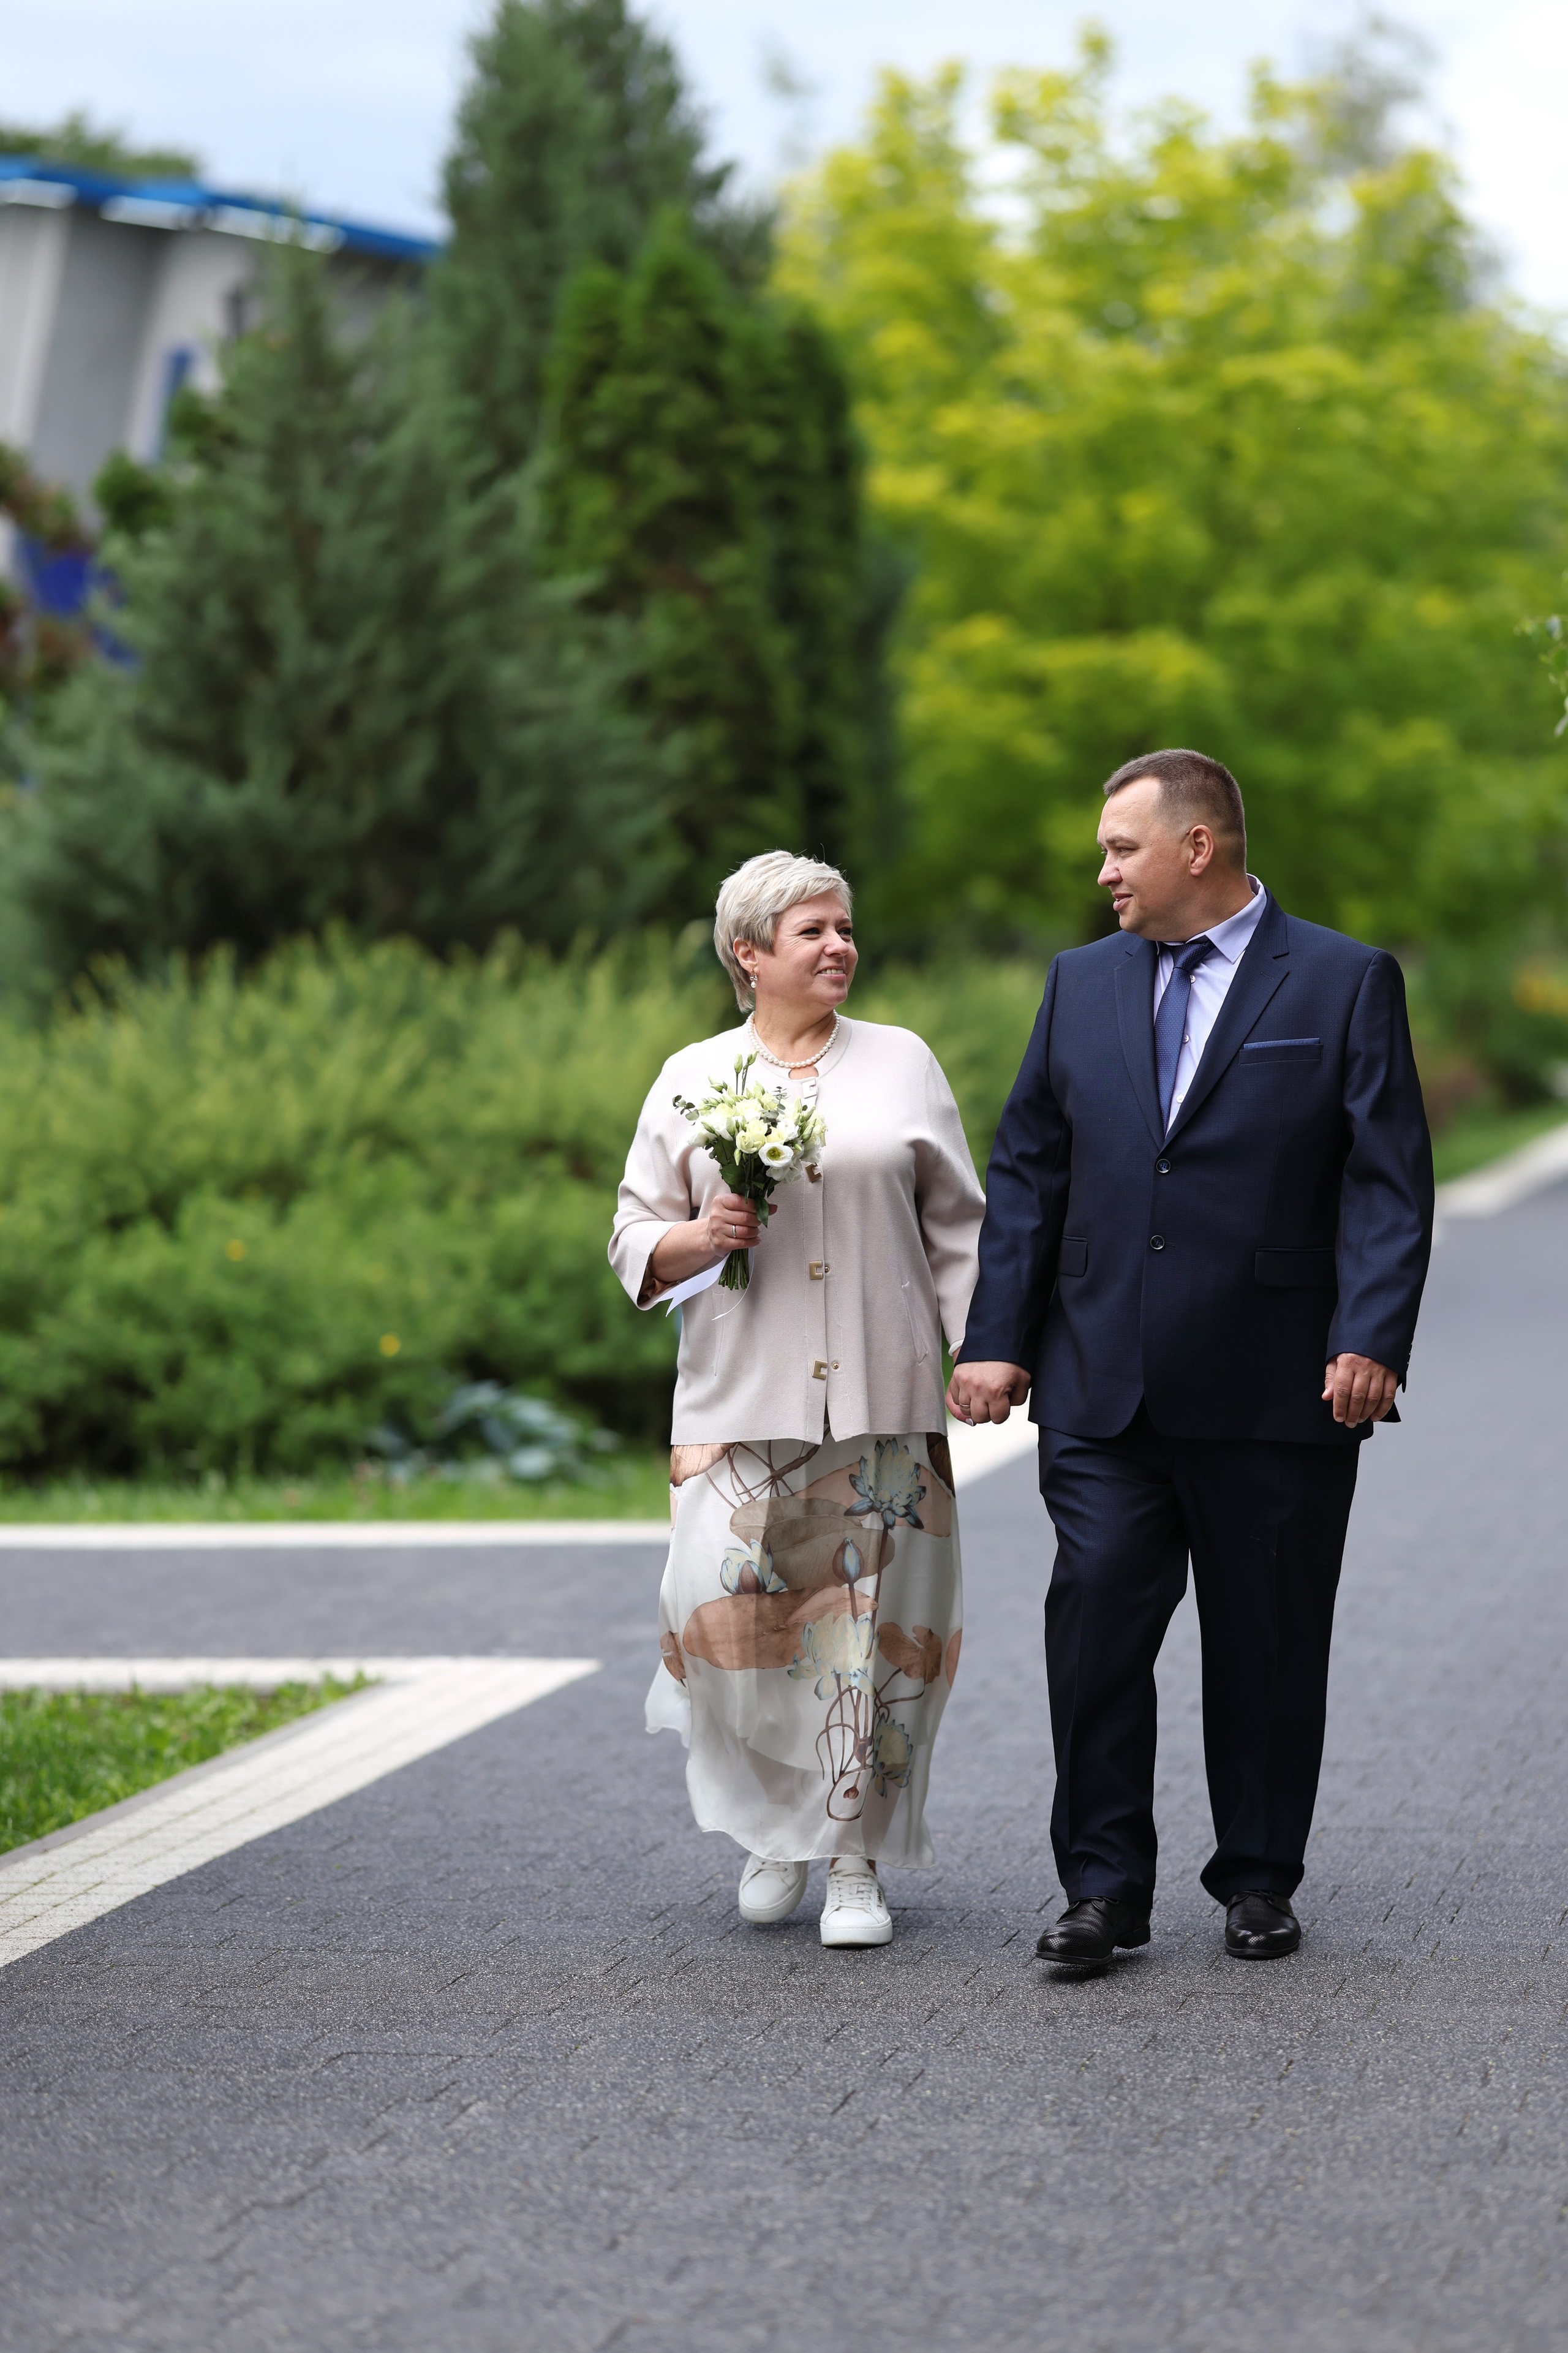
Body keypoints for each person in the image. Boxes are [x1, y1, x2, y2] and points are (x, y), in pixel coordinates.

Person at [948, 749, 1433, 1965]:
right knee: (1096, 1618)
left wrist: (1367, 1333)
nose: (1102, 868)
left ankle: (1257, 1876)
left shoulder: (1339, 980)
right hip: (1100, 1383)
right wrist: (997, 1340)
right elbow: (1028, 1172)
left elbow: (1385, 1176)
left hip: (1277, 1381)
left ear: (1196, 847)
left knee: (1267, 1639)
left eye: (1120, 846)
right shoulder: (1078, 984)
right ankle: (1102, 1888)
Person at [611, 850, 985, 1948]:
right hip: (739, 1401)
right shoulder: (691, 1074)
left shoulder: (903, 1062)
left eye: (845, 928)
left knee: (869, 1638)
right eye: (813, 931)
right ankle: (777, 1830)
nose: (839, 947)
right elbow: (636, 1236)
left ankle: (856, 1856)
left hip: (882, 1399)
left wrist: (979, 1350)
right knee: (721, 1619)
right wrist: (701, 1234)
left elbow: (959, 1225)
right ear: (749, 951)